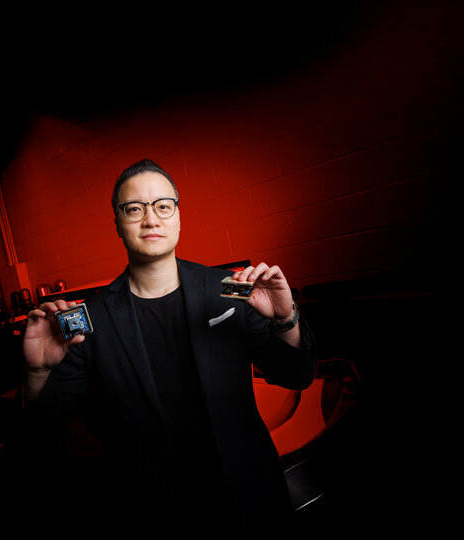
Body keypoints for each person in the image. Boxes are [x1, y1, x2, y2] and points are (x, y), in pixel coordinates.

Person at [20, 158, 317, 529]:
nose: (151, 219)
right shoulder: (90, 318)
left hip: (250, 497)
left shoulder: (230, 287)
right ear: (117, 223)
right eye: (134, 209)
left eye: (163, 206)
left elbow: (297, 375)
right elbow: (48, 423)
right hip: (153, 512)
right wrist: (37, 371)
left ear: (178, 215)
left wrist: (285, 321)